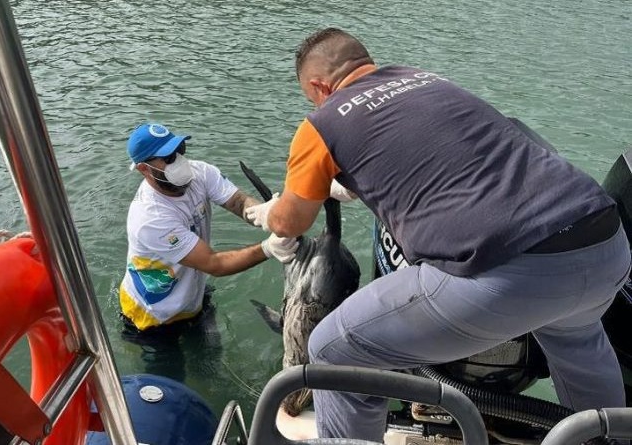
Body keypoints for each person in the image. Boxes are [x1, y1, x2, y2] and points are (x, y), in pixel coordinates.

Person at [244, 27, 630, 441]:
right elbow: (441, 153)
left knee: (333, 351)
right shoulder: (427, 80)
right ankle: (611, 438)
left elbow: (292, 223)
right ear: (365, 62)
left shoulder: (321, 123)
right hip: (603, 245)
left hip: (508, 274)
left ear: (320, 86)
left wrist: (269, 215)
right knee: (578, 343)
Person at [119, 122, 298, 381]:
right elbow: (214, 263)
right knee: (168, 380)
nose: (179, 160)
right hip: (154, 316)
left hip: (194, 296)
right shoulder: (150, 217)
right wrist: (268, 249)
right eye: (168, 158)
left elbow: (237, 201)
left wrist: (266, 213)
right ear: (144, 169)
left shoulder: (200, 173)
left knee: (209, 362)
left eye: (180, 150)